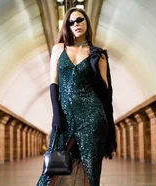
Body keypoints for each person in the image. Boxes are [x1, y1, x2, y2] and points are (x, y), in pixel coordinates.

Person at [36, 8, 116, 186]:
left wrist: (95, 68)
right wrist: (56, 113)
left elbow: (105, 92)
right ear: (67, 27)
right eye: (71, 22)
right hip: (65, 116)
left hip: (92, 117)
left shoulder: (98, 54)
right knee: (50, 174)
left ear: (87, 22)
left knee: (90, 171)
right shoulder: (59, 49)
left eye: (79, 20)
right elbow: (53, 83)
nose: (76, 25)